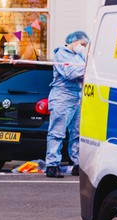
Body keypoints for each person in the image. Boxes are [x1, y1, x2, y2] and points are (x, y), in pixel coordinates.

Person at [45, 30, 89, 178]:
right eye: (82, 44)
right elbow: (69, 73)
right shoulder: (61, 54)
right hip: (61, 98)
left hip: (76, 98)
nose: (83, 47)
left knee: (76, 134)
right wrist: (86, 69)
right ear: (74, 41)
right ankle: (52, 164)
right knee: (57, 132)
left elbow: (83, 73)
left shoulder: (79, 56)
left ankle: (77, 164)